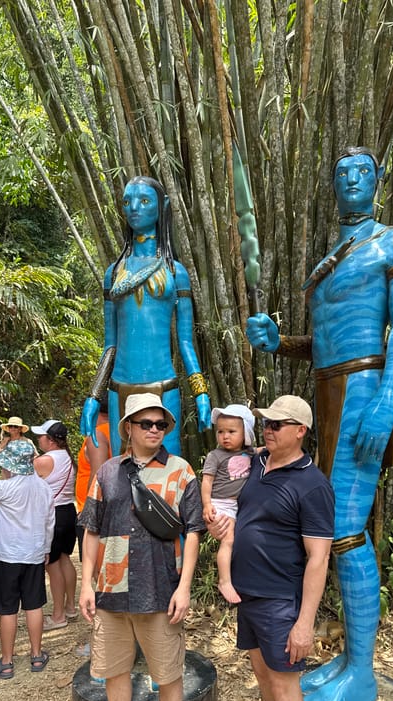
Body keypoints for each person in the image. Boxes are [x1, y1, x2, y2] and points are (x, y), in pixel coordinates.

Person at [246, 146, 393, 701]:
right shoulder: (333, 256)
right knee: (334, 526)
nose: (351, 179)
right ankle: (352, 659)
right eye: (341, 172)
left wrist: (386, 400)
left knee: (345, 531)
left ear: (379, 179)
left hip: (364, 390)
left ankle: (363, 674)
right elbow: (326, 344)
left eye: (361, 171)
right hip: (328, 395)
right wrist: (280, 344)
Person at [78, 393, 204, 701]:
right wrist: (86, 582)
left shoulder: (180, 471)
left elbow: (194, 531)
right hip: (111, 588)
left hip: (161, 586)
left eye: (160, 424)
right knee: (114, 670)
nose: (154, 430)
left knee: (167, 673)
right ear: (128, 428)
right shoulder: (108, 471)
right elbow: (92, 529)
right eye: (145, 423)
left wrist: (184, 586)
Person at [219, 395, 334, 701]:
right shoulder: (255, 465)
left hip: (280, 602)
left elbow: (319, 558)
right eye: (266, 423)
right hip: (247, 597)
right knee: (266, 682)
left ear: (300, 431)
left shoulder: (312, 485)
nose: (267, 430)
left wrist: (304, 623)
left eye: (277, 425)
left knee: (286, 690)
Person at [80, 176, 211, 457]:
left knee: (167, 466)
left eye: (144, 201)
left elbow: (185, 342)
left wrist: (200, 392)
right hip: (119, 387)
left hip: (163, 386)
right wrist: (93, 396)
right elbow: (110, 344)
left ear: (162, 206)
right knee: (122, 470)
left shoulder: (175, 272)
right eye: (127, 202)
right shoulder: (114, 273)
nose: (134, 208)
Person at [0, 439, 55, 679]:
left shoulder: (2, 488)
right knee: (34, 605)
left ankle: (6, 662)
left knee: (8, 608)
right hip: (34, 553)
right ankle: (37, 655)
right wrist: (46, 548)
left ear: (9, 465)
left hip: (7, 555)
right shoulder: (43, 488)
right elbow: (49, 522)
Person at [201, 404, 257, 604]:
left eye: (231, 432)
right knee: (228, 540)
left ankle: (239, 577)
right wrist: (207, 505)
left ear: (246, 433)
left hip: (239, 506)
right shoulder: (215, 456)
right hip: (221, 504)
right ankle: (224, 581)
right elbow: (206, 482)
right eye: (220, 431)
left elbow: (263, 450)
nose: (225, 436)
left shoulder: (250, 453)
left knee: (241, 540)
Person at [32, 420, 78, 630]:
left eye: (41, 436)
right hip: (68, 511)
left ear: (50, 440)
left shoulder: (44, 461)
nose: (38, 439)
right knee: (65, 559)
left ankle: (58, 616)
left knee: (52, 564)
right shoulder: (67, 456)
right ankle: (70, 607)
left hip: (53, 515)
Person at [75, 398, 110, 563]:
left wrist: (90, 512)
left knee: (95, 564)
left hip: (93, 508)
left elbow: (98, 475)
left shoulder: (97, 435)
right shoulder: (121, 432)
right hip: (110, 507)